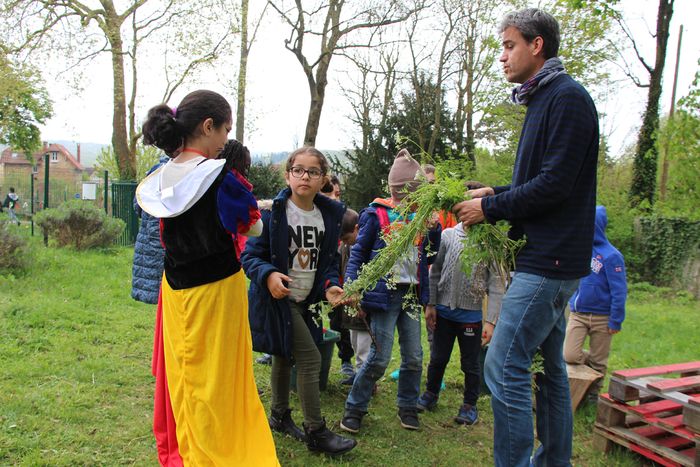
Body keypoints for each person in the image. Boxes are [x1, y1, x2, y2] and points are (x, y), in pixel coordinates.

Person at [453, 8, 599, 466]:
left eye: (509, 45)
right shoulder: (543, 99)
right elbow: (546, 180)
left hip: (548, 261)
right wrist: (495, 192)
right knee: (550, 371)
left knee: (503, 363)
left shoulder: (567, 98)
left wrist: (490, 208)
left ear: (537, 46)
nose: (501, 56)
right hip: (548, 258)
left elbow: (556, 185)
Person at [136, 89, 278, 466]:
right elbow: (255, 228)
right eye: (225, 130)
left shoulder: (160, 177)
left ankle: (189, 447)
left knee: (184, 373)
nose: (225, 141)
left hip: (176, 289)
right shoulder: (220, 178)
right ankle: (222, 453)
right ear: (208, 125)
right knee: (220, 380)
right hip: (217, 290)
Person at [242, 147, 357, 456]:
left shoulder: (328, 217)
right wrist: (268, 275)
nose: (305, 176)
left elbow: (329, 263)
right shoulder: (273, 214)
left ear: (324, 180)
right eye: (299, 170)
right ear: (288, 175)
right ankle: (316, 431)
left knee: (283, 355)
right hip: (278, 300)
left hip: (306, 301)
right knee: (309, 359)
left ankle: (279, 416)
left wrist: (332, 287)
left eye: (313, 172)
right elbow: (249, 257)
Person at [340, 149, 441, 433]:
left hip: (410, 295)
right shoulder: (376, 214)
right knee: (380, 357)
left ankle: (407, 407)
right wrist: (353, 288)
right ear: (403, 189)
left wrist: (433, 230)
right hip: (384, 297)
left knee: (414, 356)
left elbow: (431, 256)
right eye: (415, 192)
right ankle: (354, 407)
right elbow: (357, 254)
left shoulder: (421, 218)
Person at [418, 182, 505, 426]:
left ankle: (469, 404)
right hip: (444, 312)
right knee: (438, 358)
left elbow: (498, 285)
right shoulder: (447, 236)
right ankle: (430, 394)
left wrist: (491, 321)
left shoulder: (490, 243)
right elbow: (434, 271)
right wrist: (431, 304)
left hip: (470, 317)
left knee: (470, 363)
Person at [564, 205, 627, 403]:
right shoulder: (580, 250)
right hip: (579, 314)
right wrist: (572, 301)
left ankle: (592, 395)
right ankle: (590, 365)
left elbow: (619, 290)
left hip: (603, 317)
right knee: (569, 354)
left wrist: (616, 320)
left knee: (599, 361)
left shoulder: (612, 256)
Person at [131, 156, 169, 305]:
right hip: (157, 251)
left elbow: (137, 206)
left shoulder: (153, 173)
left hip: (148, 245)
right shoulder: (168, 175)